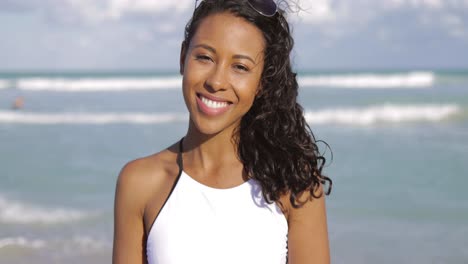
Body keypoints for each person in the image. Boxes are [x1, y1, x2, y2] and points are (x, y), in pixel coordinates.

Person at [113, 0, 332, 263]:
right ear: (183, 58)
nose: (216, 81)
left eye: (240, 67)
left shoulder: (294, 185)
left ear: (262, 82)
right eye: (204, 57)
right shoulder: (139, 183)